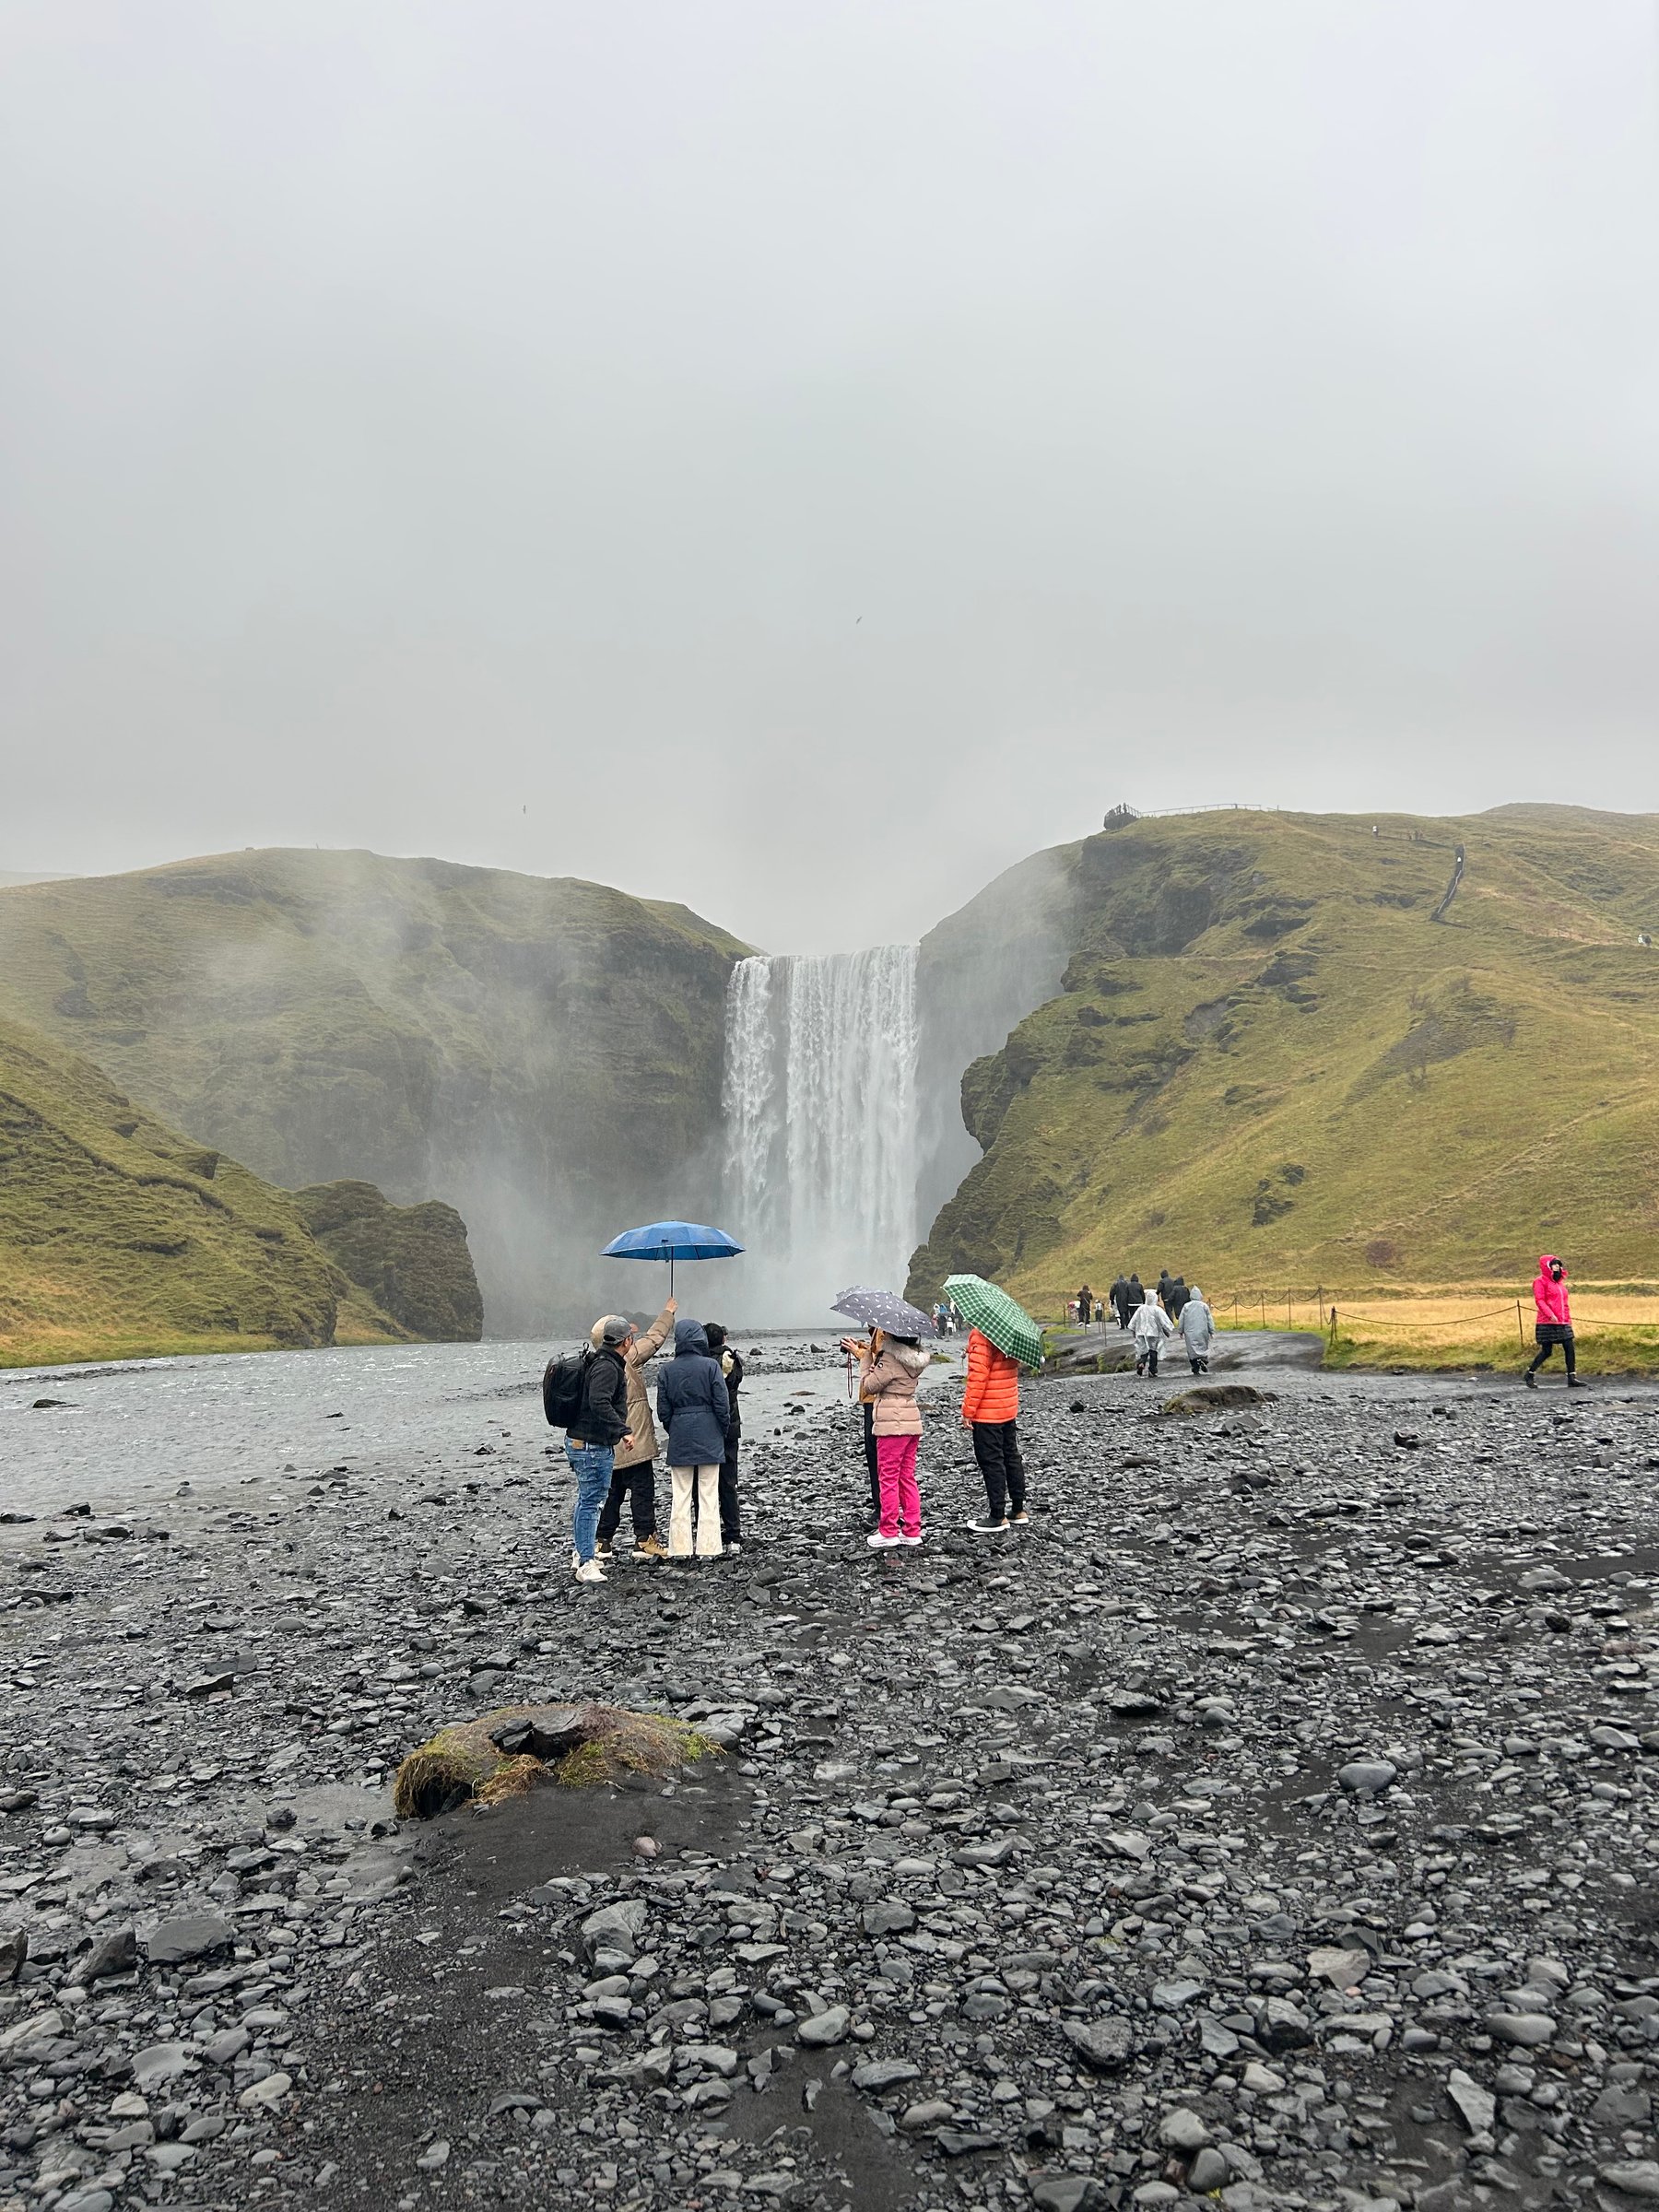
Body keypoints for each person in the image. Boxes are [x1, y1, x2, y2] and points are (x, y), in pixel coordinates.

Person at [594, 1300, 675, 1560]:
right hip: (634, 1440)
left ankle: (602, 1542)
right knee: (642, 1492)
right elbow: (655, 1338)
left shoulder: (593, 1364)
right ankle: (644, 1541)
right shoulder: (630, 1358)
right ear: (624, 1341)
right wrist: (668, 1313)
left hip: (609, 1443)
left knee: (611, 1494)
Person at [566, 1317, 634, 1584]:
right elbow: (599, 1402)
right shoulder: (608, 1367)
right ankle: (586, 1562)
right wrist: (623, 1430)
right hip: (591, 1445)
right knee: (592, 1502)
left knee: (586, 1499)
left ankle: (580, 1552)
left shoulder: (600, 1360)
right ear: (626, 1342)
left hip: (581, 1441)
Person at [655, 1319, 731, 1556]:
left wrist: (674, 1427)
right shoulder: (711, 1367)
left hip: (680, 1435)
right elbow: (722, 1405)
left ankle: (679, 1549)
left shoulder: (666, 1370)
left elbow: (663, 1411)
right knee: (708, 1494)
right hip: (709, 1434)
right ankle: (709, 1548)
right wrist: (721, 1430)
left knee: (680, 1494)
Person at [861, 1330, 929, 1547]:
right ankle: (912, 1530)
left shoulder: (889, 1358)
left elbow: (870, 1386)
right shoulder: (914, 1359)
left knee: (888, 1477)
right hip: (911, 1419)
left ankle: (889, 1530)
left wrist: (866, 1362)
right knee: (907, 1477)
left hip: (892, 1422)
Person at [961, 1325, 1026, 1533]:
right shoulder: (1009, 1331)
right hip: (1007, 1407)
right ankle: (1018, 1510)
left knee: (991, 1461)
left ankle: (997, 1515)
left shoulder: (981, 1334)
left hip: (987, 1412)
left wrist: (968, 1410)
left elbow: (978, 1377)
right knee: (1011, 1456)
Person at [702, 1323, 745, 1551]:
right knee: (728, 1482)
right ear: (723, 1339)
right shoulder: (732, 1359)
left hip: (706, 1429)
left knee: (704, 1483)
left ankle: (706, 1535)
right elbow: (736, 1381)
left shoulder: (701, 1363)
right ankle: (733, 1534)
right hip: (730, 1427)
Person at [841, 1329, 884, 1527]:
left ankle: (881, 1508)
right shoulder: (880, 1329)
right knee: (882, 1455)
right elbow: (878, 1353)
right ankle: (888, 1504)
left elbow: (881, 1362)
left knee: (876, 1455)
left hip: (875, 1400)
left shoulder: (882, 1330)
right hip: (878, 1401)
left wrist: (857, 1352)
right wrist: (860, 1345)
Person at [1525, 1255, 1583, 1388]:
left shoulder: (1559, 1283)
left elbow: (1564, 1303)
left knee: (1569, 1347)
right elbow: (1540, 1300)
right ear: (1547, 1266)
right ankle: (1530, 1373)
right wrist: (1550, 1314)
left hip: (1562, 1321)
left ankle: (1572, 1377)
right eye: (1554, 1264)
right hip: (1547, 1322)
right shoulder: (1540, 1281)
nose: (1557, 1266)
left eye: (1559, 1264)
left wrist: (1567, 1319)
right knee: (1547, 1351)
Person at [1130, 1293, 1173, 1378]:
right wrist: (1168, 1329)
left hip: (1141, 1332)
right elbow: (1164, 1321)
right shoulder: (1157, 1309)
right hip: (1153, 1333)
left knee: (1143, 1349)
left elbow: (1134, 1320)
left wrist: (1133, 1330)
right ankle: (1152, 1370)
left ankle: (1142, 1362)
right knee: (1153, 1350)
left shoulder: (1141, 1308)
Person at [1179, 1286, 1215, 1374]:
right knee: (1203, 1346)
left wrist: (1181, 1330)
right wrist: (1211, 1330)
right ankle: (1203, 1359)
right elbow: (1209, 1319)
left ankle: (1195, 1366)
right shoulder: (1204, 1306)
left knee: (1192, 1349)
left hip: (1190, 1331)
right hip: (1202, 1330)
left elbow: (1181, 1319)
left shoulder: (1186, 1306)